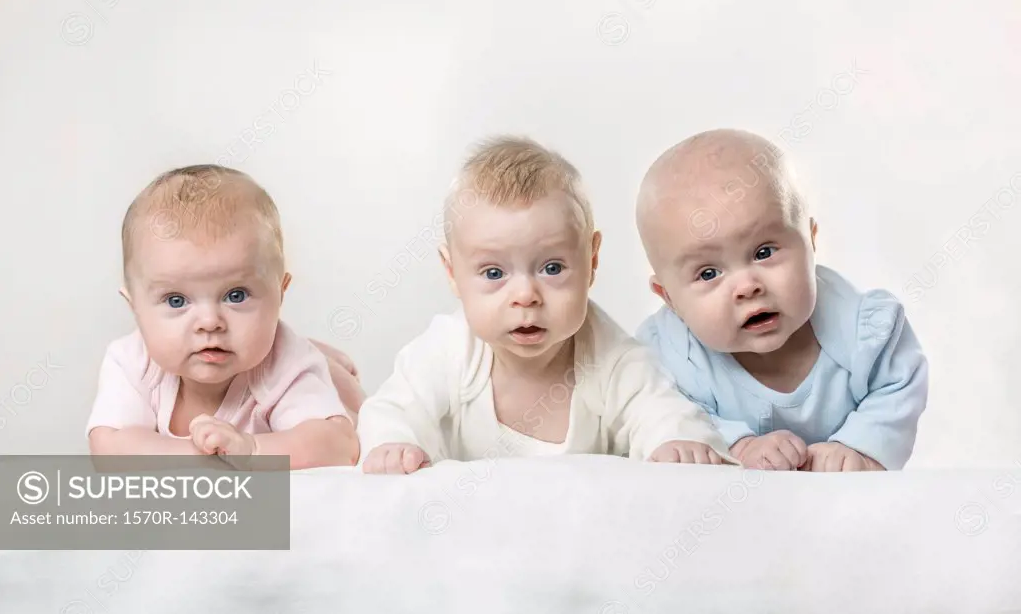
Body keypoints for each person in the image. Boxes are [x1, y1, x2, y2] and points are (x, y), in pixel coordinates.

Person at [356, 136, 733, 474]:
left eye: (552, 268)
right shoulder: (449, 350)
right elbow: (392, 408)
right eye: (493, 273)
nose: (526, 296)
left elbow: (660, 408)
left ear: (592, 260)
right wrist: (393, 443)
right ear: (452, 273)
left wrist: (675, 441)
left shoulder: (613, 358)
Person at [635, 128, 928, 471]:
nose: (747, 286)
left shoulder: (864, 330)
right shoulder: (667, 355)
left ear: (811, 240)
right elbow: (656, 409)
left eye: (764, 252)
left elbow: (899, 383)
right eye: (709, 273)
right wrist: (737, 446)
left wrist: (859, 448)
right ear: (669, 299)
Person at [86, 164, 363, 469]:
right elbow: (109, 448)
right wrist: (205, 458)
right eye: (176, 300)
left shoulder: (284, 362)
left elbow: (339, 445)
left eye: (236, 295)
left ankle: (331, 368)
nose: (209, 322)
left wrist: (251, 449)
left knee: (358, 411)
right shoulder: (130, 361)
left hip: (329, 395)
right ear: (134, 306)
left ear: (281, 291)